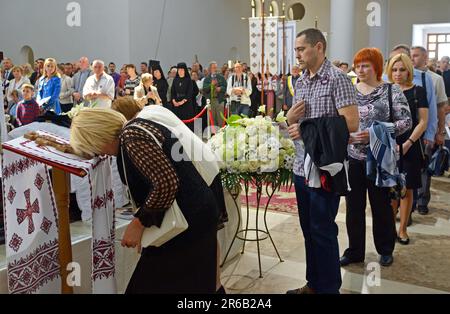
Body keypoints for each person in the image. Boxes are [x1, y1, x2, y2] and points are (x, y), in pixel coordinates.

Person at [70, 107, 221, 294]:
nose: (94, 152)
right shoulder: (133, 131)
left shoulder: (131, 137)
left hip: (189, 224)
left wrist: (138, 224)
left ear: (95, 137)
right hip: (193, 217)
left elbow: (166, 183)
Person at [286, 29, 359, 294]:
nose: (297, 55)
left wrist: (304, 128)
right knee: (308, 231)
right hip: (300, 166)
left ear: (318, 47)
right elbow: (294, 125)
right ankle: (313, 284)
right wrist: (290, 119)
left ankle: (329, 288)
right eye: (295, 50)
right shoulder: (302, 81)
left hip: (325, 168)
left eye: (301, 49)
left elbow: (351, 122)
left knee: (323, 230)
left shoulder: (337, 79)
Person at [341, 48, 412, 268]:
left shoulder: (391, 91)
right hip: (353, 158)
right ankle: (354, 251)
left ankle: (385, 249)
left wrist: (374, 133)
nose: (360, 70)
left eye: (365, 65)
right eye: (357, 65)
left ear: (376, 67)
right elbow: (340, 119)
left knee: (381, 206)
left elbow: (406, 121)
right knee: (353, 208)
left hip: (380, 158)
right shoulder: (350, 91)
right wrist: (345, 135)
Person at [386, 53, 428, 245]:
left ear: (409, 70)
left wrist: (408, 143)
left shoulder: (417, 91)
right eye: (394, 69)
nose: (398, 73)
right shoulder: (385, 90)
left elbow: (423, 122)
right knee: (390, 189)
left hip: (410, 145)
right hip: (390, 145)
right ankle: (390, 228)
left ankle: (403, 228)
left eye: (402, 69)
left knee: (407, 189)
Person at [171, 63, 195, 131]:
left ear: (185, 70)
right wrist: (174, 101)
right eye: (179, 69)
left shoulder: (189, 80)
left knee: (186, 124)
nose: (180, 71)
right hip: (176, 104)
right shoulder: (175, 80)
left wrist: (182, 102)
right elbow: (172, 92)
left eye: (182, 69)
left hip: (186, 104)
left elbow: (189, 93)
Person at [203, 62, 227, 128]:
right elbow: (204, 89)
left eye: (216, 67)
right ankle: (214, 136)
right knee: (212, 120)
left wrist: (221, 88)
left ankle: (221, 135)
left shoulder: (221, 77)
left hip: (220, 100)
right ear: (210, 69)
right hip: (211, 101)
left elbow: (225, 87)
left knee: (220, 120)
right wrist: (211, 85)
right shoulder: (207, 79)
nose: (215, 69)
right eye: (214, 68)